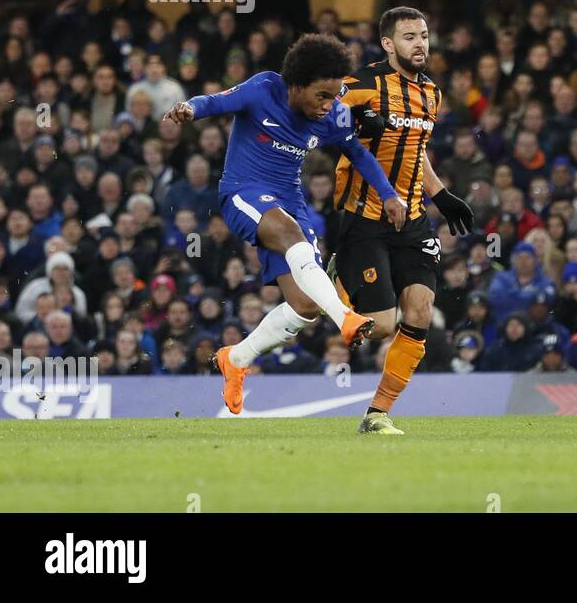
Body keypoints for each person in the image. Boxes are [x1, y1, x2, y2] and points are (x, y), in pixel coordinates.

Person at [162, 34, 408, 414]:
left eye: (335, 95)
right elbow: (214, 102)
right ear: (296, 84)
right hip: (244, 191)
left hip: (289, 200)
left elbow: (357, 153)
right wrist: (188, 109)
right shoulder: (263, 89)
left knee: (306, 305)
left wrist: (389, 195)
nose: (329, 105)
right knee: (294, 238)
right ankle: (344, 318)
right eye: (323, 95)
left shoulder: (333, 114)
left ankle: (236, 359)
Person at [327, 8, 473, 435]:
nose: (420, 44)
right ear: (388, 44)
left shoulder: (431, 93)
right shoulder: (363, 84)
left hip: (411, 218)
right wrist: (352, 119)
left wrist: (440, 194)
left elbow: (416, 149)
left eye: (424, 35)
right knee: (382, 325)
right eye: (409, 37)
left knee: (422, 311)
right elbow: (317, 113)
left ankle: (378, 414)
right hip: (364, 216)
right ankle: (336, 280)